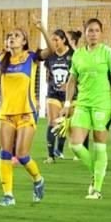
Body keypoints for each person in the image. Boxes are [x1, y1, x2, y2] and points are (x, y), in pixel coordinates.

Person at [0, 17, 46, 207]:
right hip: (6, 113)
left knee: (21, 155)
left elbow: (51, 51)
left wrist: (42, 28)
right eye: (9, 36)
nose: (12, 38)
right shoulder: (0, 58)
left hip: (27, 112)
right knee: (4, 152)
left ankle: (38, 179)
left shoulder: (31, 58)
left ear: (24, 42)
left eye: (16, 36)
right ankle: (8, 195)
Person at [62, 18, 111, 200]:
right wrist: (66, 103)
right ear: (85, 34)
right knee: (76, 144)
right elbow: (72, 81)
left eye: (96, 30)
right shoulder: (78, 55)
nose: (93, 34)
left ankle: (97, 189)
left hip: (102, 104)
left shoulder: (108, 53)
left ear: (101, 33)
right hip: (82, 103)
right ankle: (96, 173)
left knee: (99, 145)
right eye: (90, 31)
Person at [43, 29, 74, 163]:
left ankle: (59, 150)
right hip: (53, 93)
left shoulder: (73, 55)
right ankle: (50, 155)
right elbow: (48, 73)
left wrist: (68, 84)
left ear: (63, 40)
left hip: (70, 95)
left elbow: (78, 75)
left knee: (65, 123)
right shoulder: (50, 56)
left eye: (56, 40)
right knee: (52, 121)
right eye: (52, 40)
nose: (54, 42)